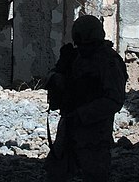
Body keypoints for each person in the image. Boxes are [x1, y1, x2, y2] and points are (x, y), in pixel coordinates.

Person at [44, 15, 128, 182]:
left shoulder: (108, 61)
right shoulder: (74, 57)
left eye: (86, 44)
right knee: (56, 171)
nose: (82, 48)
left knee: (94, 174)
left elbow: (114, 100)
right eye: (79, 44)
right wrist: (57, 78)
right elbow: (52, 78)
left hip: (94, 133)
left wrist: (83, 115)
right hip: (69, 125)